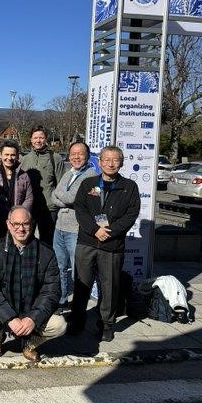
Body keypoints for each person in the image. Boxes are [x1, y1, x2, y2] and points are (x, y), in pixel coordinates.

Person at [0, 206, 66, 361]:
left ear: (32, 224)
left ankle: (30, 344)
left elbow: (51, 291)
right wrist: (10, 317)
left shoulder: (46, 252)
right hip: (3, 307)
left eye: (25, 224)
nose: (21, 229)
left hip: (32, 307)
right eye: (16, 224)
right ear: (9, 224)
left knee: (59, 325)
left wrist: (33, 318)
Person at [69, 146, 140, 342]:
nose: (110, 163)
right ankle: (77, 319)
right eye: (106, 159)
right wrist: (95, 229)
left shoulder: (129, 187)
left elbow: (131, 215)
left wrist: (110, 232)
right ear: (99, 162)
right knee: (82, 284)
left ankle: (107, 323)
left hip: (112, 246)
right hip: (87, 242)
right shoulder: (88, 184)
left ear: (121, 163)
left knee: (110, 287)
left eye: (115, 160)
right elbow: (80, 209)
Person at [50, 141, 96, 312]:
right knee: (59, 267)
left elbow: (71, 198)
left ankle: (78, 306)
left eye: (80, 153)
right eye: (73, 154)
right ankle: (61, 301)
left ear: (87, 156)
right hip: (59, 227)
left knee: (77, 271)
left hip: (76, 230)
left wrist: (63, 197)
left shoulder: (91, 176)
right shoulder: (69, 173)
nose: (76, 157)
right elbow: (55, 195)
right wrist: (64, 197)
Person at [20, 125, 65, 245]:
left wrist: (58, 204)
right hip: (29, 207)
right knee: (26, 238)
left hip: (49, 208)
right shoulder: (24, 159)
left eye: (41, 137)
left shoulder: (55, 158)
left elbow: (61, 183)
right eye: (35, 137)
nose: (38, 140)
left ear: (46, 139)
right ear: (31, 139)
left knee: (48, 241)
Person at [0, 140, 33, 225]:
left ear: (17, 156)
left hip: (17, 221)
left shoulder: (24, 176)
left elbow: (29, 198)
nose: (9, 158)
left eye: (13, 155)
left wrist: (19, 215)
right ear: (0, 155)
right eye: (6, 154)